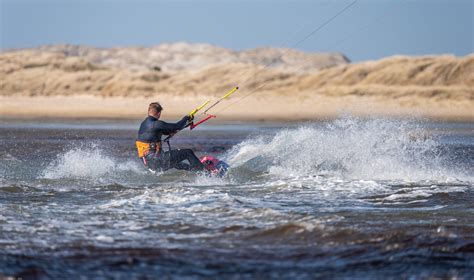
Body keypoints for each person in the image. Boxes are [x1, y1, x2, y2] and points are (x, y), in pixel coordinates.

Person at [135, 102, 206, 172]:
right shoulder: (156, 124)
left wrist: (185, 124)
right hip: (157, 161)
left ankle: (193, 170)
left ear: (148, 111)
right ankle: (204, 172)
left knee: (177, 163)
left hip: (150, 164)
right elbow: (176, 126)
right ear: (159, 113)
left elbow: (167, 131)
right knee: (188, 152)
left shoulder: (144, 124)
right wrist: (186, 118)